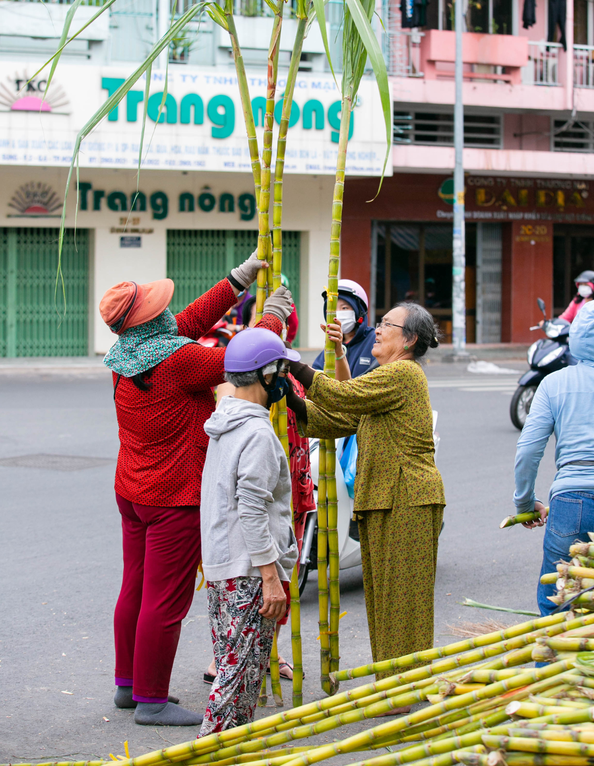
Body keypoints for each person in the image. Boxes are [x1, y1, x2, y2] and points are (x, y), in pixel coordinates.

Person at [100, 252, 292, 727]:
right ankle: (151, 699)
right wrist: (273, 318)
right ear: (148, 323)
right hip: (172, 498)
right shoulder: (179, 362)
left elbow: (183, 322)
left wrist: (237, 280)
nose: (168, 312)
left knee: (135, 589)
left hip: (132, 490)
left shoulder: (127, 355)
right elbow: (242, 361)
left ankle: (128, 685)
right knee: (165, 600)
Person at [286, 303, 444, 695]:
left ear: (408, 340)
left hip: (409, 498)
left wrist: (294, 365)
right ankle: (394, 686)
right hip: (384, 499)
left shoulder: (405, 374)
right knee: (383, 600)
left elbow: (341, 394)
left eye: (387, 325)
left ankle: (404, 690)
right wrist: (289, 397)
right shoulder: (385, 378)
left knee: (402, 603)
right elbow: (335, 419)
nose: (377, 330)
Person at [198, 329, 300, 735]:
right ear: (267, 375)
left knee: (230, 669)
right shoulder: (257, 434)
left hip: (223, 566)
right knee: (235, 688)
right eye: (282, 372)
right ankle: (207, 753)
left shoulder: (222, 422)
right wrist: (271, 579)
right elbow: (252, 508)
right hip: (250, 572)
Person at [513, 298, 594, 616]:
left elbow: (528, 451)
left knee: (556, 604)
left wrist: (525, 504)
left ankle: (551, 663)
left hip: (569, 503)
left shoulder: (554, 383)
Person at [313, 280, 377, 378]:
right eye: (333, 310)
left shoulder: (375, 340)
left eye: (344, 308)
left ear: (359, 311)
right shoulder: (330, 346)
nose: (338, 314)